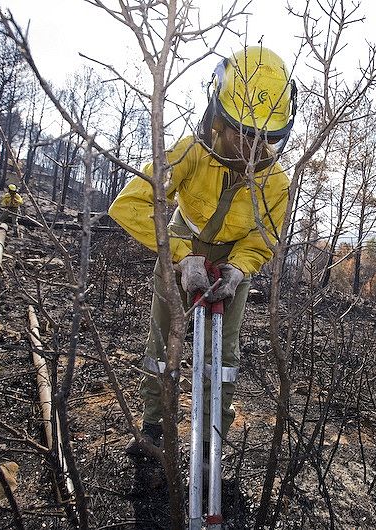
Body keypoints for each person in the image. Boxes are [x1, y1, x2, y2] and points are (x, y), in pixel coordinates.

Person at [109, 46, 296, 456]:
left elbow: (263, 238)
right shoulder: (192, 151)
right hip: (181, 244)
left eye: (264, 138)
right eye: (241, 133)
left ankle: (212, 438)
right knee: (163, 341)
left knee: (223, 356)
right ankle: (153, 425)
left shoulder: (277, 183)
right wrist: (180, 255)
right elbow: (129, 204)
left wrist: (239, 269)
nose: (250, 146)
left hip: (231, 263)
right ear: (218, 116)